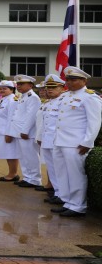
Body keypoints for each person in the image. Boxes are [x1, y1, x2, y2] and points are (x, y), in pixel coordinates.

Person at [51, 66, 102, 217]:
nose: (70, 82)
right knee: (62, 173)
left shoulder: (89, 97)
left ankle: (78, 206)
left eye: (74, 80)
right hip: (60, 141)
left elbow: (94, 122)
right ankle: (67, 201)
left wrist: (87, 142)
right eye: (68, 79)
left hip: (75, 143)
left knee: (75, 174)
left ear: (84, 81)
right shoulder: (65, 96)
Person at [6, 74, 41, 188]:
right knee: (23, 156)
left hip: (27, 133)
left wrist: (25, 131)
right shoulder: (24, 96)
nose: (19, 86)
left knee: (31, 156)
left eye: (22, 84)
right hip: (20, 132)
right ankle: (27, 177)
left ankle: (35, 179)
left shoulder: (33, 97)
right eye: (18, 84)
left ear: (30, 85)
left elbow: (31, 116)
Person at [35, 75, 64, 204]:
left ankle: (63, 195)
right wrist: (40, 137)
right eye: (48, 87)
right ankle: (57, 193)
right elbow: (44, 123)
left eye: (54, 87)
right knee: (52, 168)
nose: (50, 90)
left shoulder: (63, 102)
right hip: (47, 140)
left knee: (60, 170)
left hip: (58, 141)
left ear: (62, 88)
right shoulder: (48, 103)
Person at [0, 80, 19, 182]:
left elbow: (11, 118)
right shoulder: (3, 100)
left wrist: (9, 133)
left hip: (6, 132)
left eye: (5, 88)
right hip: (0, 131)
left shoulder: (12, 100)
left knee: (11, 153)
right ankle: (12, 172)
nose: (2, 90)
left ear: (11, 89)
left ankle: (13, 174)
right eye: (0, 88)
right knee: (7, 153)